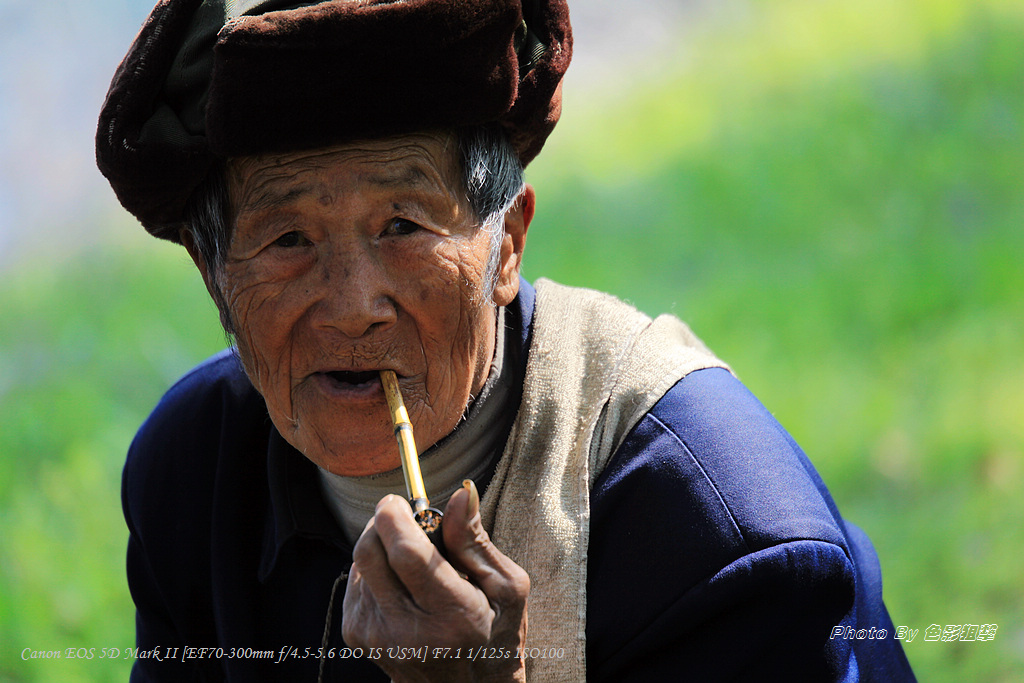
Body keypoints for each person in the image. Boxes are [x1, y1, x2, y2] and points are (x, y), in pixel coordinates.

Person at [97, 1, 916, 681]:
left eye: (403, 225)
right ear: (214, 276)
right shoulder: (191, 474)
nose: (351, 309)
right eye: (287, 241)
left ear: (506, 248)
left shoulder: (721, 537)